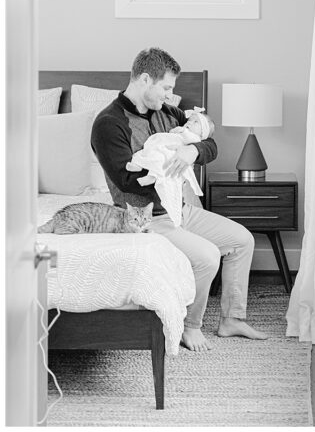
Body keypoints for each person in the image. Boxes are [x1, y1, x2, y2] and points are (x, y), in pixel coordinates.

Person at [91, 48, 268, 352]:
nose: (170, 95)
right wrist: (168, 165)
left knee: (242, 240)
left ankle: (232, 319)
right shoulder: (109, 123)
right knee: (208, 256)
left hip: (179, 210)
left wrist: (192, 151)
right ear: (145, 79)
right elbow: (125, 178)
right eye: (166, 88)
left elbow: (211, 144)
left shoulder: (167, 112)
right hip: (146, 219)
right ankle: (189, 326)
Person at [127, 107, 214, 229]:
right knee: (149, 155)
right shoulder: (113, 120)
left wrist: (194, 149)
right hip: (162, 147)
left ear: (202, 132)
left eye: (196, 122)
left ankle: (151, 176)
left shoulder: (188, 131)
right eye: (190, 120)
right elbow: (124, 181)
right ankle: (137, 165)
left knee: (163, 163)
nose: (189, 122)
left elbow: (210, 145)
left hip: (173, 153)